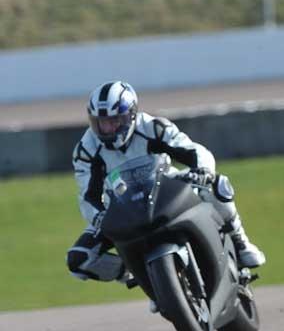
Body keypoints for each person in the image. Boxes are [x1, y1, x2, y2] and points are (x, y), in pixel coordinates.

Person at [67, 80, 265, 290]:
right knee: (79, 260)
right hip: (121, 209)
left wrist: (203, 171)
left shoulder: (153, 127)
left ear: (131, 115)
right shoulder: (86, 150)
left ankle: (240, 241)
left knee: (218, 184)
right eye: (101, 122)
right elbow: (87, 195)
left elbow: (192, 150)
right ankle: (142, 276)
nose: (107, 128)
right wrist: (100, 217)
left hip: (167, 189)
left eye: (114, 121)